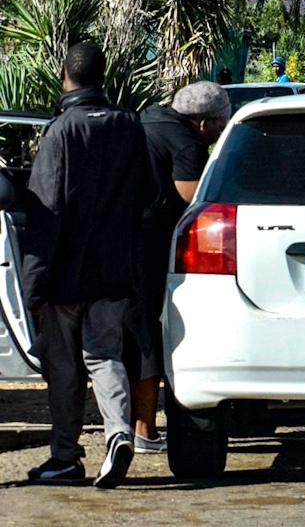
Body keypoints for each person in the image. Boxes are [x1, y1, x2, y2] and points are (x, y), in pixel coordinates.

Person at [20, 42, 155, 488]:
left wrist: (33, 283)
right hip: (115, 271)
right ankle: (118, 433)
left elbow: (46, 213)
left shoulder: (60, 132)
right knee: (105, 355)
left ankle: (65, 456)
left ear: (66, 77)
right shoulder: (129, 126)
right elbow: (148, 195)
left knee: (64, 368)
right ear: (103, 76)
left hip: (64, 276)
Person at [127, 80, 232, 455]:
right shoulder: (186, 144)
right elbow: (196, 203)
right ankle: (144, 430)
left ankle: (129, 426)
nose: (221, 133)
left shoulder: (147, 119)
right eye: (221, 125)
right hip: (147, 250)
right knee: (149, 338)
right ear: (203, 123)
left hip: (115, 243)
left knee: (127, 334)